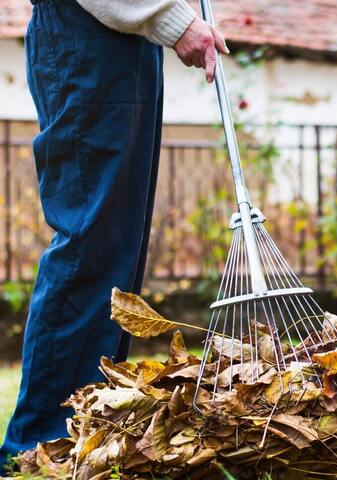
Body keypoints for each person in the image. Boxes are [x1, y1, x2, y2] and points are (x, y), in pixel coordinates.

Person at [1, 0, 228, 462]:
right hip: (87, 33)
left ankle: (88, 433)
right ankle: (40, 444)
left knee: (118, 250)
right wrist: (172, 18)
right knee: (91, 243)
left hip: (123, 44)